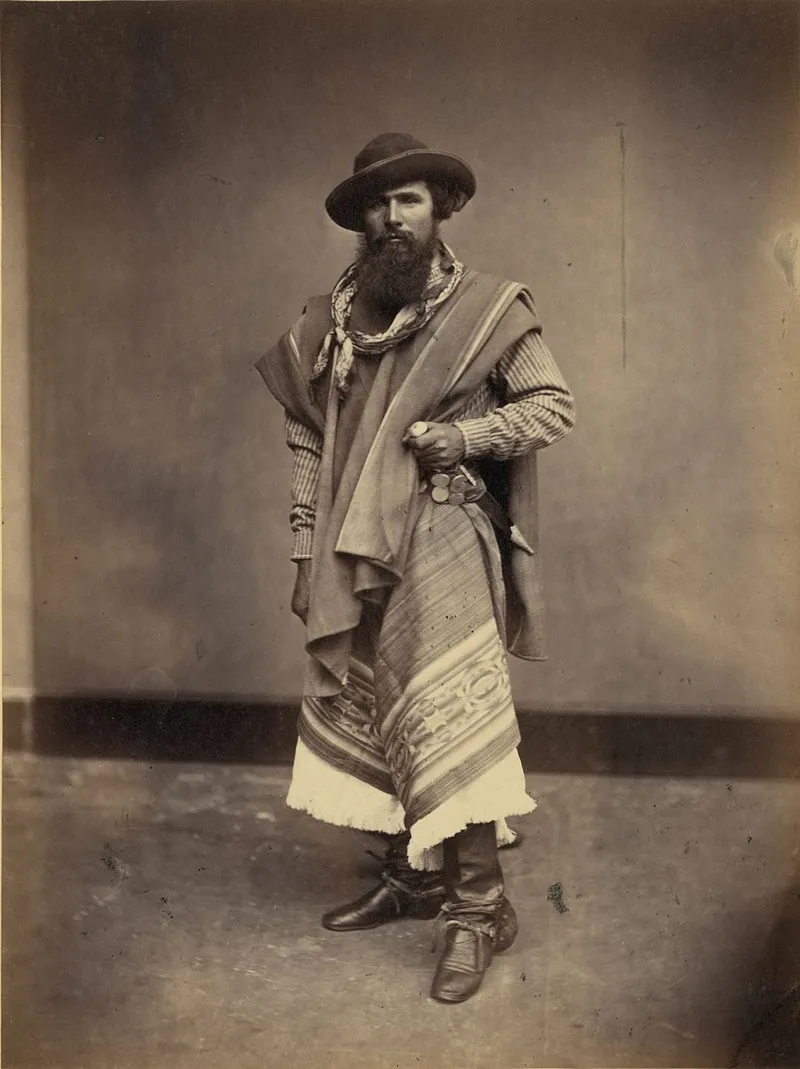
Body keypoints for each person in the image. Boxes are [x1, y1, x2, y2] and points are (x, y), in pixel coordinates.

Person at [256, 132, 575, 1003]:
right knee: (379, 702)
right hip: (351, 548)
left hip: (441, 531)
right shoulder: (332, 321)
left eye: (408, 200)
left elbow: (553, 405)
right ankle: (414, 876)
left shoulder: (487, 310)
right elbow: (305, 440)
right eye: (376, 203)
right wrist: (300, 547)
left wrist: (466, 436)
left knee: (443, 710)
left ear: (442, 210)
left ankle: (479, 909)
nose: (391, 217)